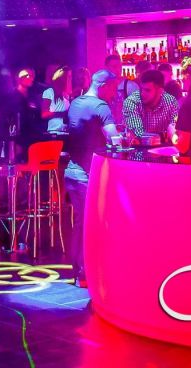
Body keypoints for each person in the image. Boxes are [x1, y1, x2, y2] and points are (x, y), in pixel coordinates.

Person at [64, 70, 122, 288]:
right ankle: (85, 273)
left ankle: (80, 271)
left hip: (71, 172)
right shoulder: (101, 107)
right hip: (87, 175)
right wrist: (122, 138)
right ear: (103, 86)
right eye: (113, 88)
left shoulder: (75, 103)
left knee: (81, 222)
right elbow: (114, 139)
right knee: (89, 223)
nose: (114, 93)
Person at [122, 69, 179, 141]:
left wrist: (172, 132)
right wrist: (164, 136)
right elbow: (138, 135)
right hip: (139, 147)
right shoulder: (132, 102)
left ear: (160, 91)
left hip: (165, 147)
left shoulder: (171, 102)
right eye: (141, 89)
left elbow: (176, 130)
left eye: (147, 90)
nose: (143, 93)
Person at [103, 54, 139, 127]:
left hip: (126, 128)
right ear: (106, 68)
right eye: (114, 66)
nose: (118, 69)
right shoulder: (101, 87)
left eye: (119, 66)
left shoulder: (131, 86)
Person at [41, 65, 72, 136]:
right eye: (66, 76)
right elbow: (44, 114)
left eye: (70, 77)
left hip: (66, 133)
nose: (68, 79)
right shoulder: (49, 92)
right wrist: (61, 114)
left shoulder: (67, 94)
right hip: (54, 133)